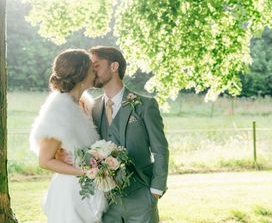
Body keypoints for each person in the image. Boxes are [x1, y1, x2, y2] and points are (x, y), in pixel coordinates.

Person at [90, 46, 169, 223]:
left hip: (142, 196)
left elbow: (160, 149)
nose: (92, 70)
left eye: (96, 65)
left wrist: (156, 190)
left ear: (114, 66)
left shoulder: (145, 105)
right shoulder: (92, 108)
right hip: (106, 201)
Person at [29, 49, 106, 223]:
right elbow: (45, 160)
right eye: (91, 68)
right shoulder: (59, 111)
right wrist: (85, 172)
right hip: (70, 194)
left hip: (89, 192)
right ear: (80, 73)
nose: (95, 71)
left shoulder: (84, 104)